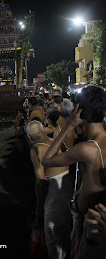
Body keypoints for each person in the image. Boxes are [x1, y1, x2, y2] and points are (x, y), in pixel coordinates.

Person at [42, 86, 106, 259]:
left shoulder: (87, 149)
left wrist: (68, 126)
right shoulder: (99, 139)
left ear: (79, 111)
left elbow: (46, 160)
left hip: (92, 223)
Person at [26, 120, 74, 259]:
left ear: (29, 137)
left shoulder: (36, 149)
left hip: (53, 193)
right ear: (44, 130)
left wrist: (39, 211)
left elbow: (40, 182)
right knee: (64, 233)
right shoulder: (54, 141)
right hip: (67, 187)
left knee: (53, 237)